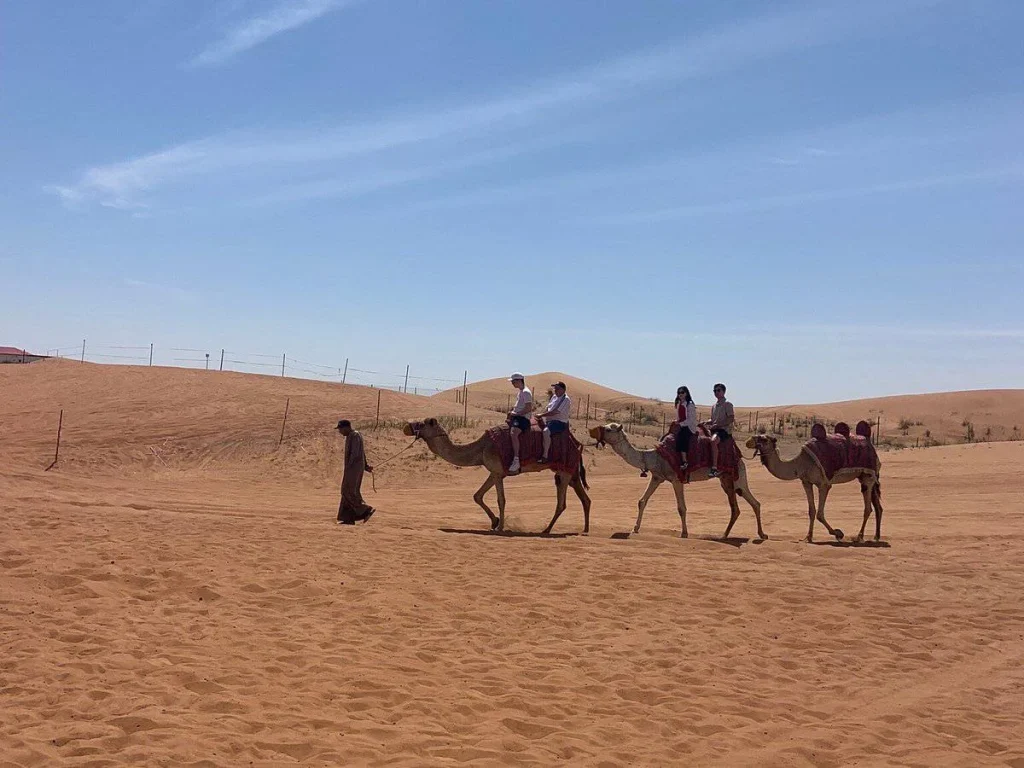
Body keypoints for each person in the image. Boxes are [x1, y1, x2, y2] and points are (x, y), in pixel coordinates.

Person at [336, 420, 374, 524]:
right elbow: (362, 453)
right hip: (352, 468)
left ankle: (365, 510)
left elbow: (356, 453)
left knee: (348, 491)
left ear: (347, 427)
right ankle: (348, 517)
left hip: (354, 468)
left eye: (341, 429)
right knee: (347, 491)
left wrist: (350, 466)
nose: (340, 432)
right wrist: (366, 466)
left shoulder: (355, 435)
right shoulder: (350, 436)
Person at [704, 383, 735, 478]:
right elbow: (713, 420)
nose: (716, 392)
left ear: (723, 391)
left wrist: (718, 424)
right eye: (715, 391)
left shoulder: (728, 404)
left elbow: (731, 418)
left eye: (718, 390)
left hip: (723, 430)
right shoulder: (714, 406)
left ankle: (714, 468)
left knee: (713, 441)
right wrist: (705, 422)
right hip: (714, 429)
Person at [537, 381, 571, 464]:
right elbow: (548, 408)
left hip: (559, 422)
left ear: (563, 390)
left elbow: (555, 412)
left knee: (546, 432)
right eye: (555, 388)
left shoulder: (565, 399)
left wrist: (541, 415)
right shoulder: (554, 397)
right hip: (549, 420)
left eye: (557, 388)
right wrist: (540, 415)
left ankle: (545, 456)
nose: (555, 390)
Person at [507, 373, 533, 474]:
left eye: (513, 381)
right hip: (517, 416)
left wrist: (516, 414)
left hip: (523, 418)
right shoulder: (520, 392)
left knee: (514, 434)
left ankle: (516, 459)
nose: (512, 383)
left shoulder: (526, 392)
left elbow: (528, 408)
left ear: (519, 381)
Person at [674, 385, 698, 470]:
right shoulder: (678, 404)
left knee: (682, 437)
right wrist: (676, 422)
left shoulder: (690, 405)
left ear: (686, 393)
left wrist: (680, 424)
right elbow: (678, 417)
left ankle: (684, 461)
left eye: (682, 392)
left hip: (689, 426)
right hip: (680, 424)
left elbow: (691, 419)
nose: (680, 394)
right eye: (679, 392)